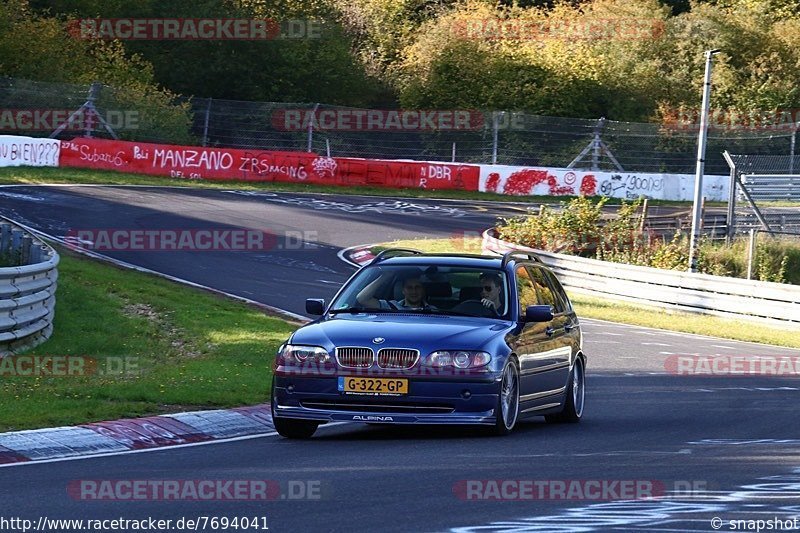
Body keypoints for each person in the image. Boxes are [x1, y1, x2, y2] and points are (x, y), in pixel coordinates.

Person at [357, 271, 436, 310]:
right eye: (409, 288)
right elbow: (362, 299)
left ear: (423, 290)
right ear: (403, 290)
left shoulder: (433, 311)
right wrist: (385, 276)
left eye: (417, 287)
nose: (414, 291)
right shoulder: (391, 307)